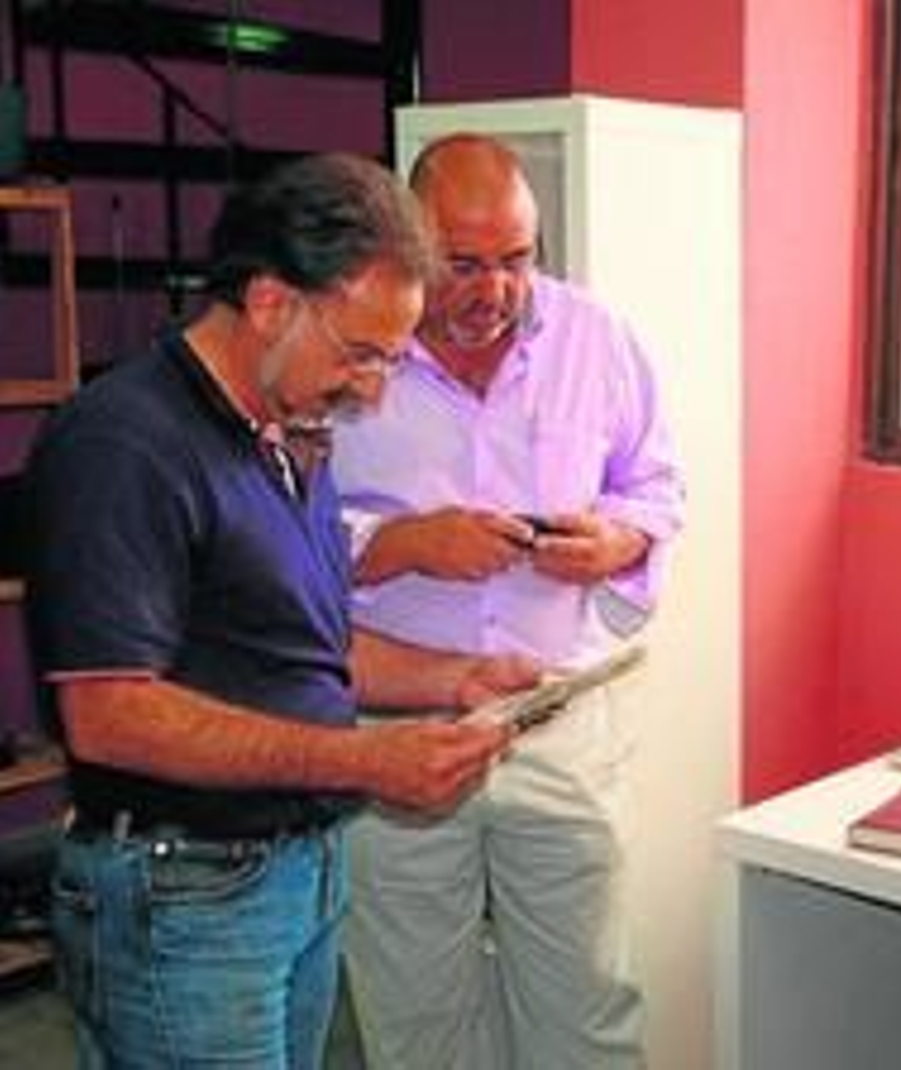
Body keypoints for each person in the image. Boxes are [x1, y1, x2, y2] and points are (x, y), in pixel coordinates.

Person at [23, 152, 541, 1069]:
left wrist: (455, 680)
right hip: (181, 891)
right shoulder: (124, 443)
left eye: (391, 360)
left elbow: (304, 645)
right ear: (269, 303)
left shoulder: (289, 427)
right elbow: (107, 715)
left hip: (295, 872)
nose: (374, 390)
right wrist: (362, 759)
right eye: (361, 355)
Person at [330, 133, 685, 1070]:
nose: (494, 290)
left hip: (558, 719)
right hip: (392, 724)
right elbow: (272, 541)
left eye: (517, 260)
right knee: (418, 1017)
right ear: (408, 242)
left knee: (590, 1007)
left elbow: (656, 487)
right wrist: (401, 545)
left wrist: (619, 538)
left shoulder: (596, 337)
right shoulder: (346, 343)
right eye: (464, 263)